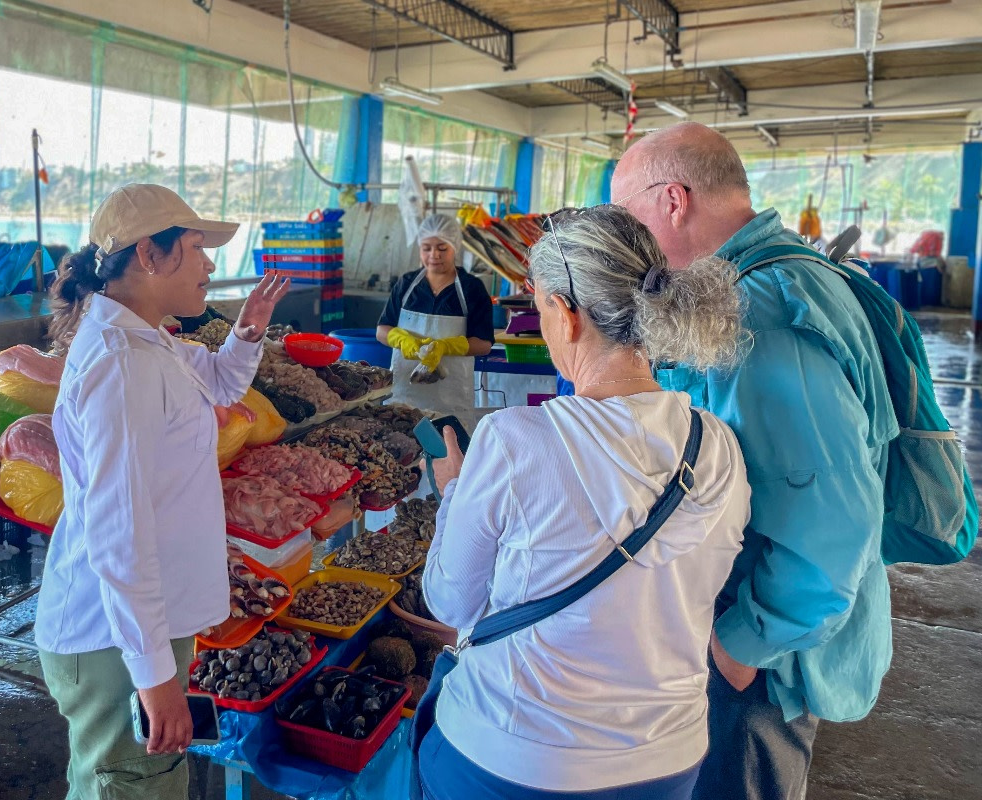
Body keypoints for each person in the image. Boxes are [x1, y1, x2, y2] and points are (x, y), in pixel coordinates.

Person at [421, 204, 751, 800]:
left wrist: (453, 492)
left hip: (514, 756)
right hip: (668, 760)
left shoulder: (514, 440)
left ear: (567, 315)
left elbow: (451, 602)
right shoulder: (719, 446)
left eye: (540, 308)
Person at [611, 122, 898, 800]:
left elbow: (834, 518)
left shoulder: (754, 314)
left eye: (627, 215)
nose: (626, 238)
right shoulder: (777, 277)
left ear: (673, 200)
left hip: (758, 654)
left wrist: (743, 644)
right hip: (758, 629)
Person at [33, 184, 290, 800]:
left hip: (139, 623)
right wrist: (152, 678)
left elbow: (221, 385)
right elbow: (118, 532)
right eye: (196, 248)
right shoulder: (122, 363)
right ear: (148, 254)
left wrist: (248, 332)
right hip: (111, 639)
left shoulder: (152, 341)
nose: (209, 265)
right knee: (131, 786)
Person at [377, 213, 494, 421]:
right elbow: (381, 330)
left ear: (455, 247)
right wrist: (403, 340)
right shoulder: (407, 284)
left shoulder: (471, 288)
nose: (434, 255)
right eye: (426, 248)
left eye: (442, 248)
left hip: (451, 402)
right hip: (403, 398)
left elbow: (484, 344)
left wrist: (445, 347)